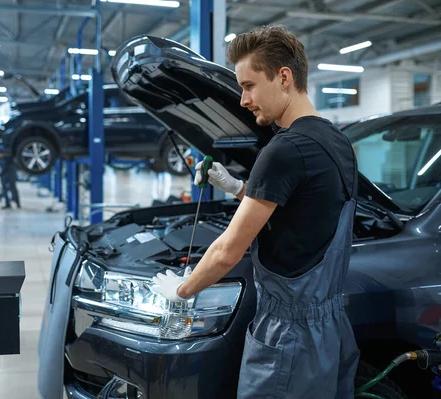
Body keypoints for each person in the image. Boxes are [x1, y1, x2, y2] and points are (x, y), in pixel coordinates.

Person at [151, 25, 360, 399]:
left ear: (283, 77)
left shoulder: (284, 150)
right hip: (331, 330)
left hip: (289, 335)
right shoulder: (336, 141)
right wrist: (236, 187)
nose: (243, 100)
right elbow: (304, 212)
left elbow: (226, 251)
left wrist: (181, 291)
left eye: (248, 86)